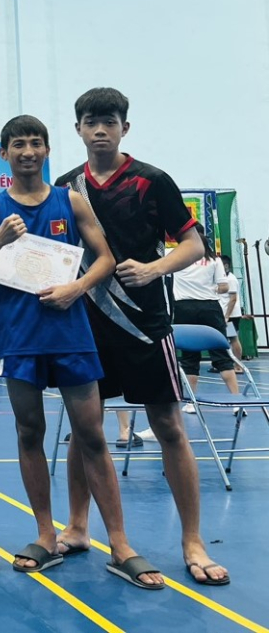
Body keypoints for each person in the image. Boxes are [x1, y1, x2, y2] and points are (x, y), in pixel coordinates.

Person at [0, 115, 163, 588]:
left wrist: (77, 288)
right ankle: (44, 535)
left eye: (36, 143)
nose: (28, 151)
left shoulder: (69, 200)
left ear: (47, 149)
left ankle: (120, 544)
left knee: (91, 435)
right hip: (20, 336)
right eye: (18, 144)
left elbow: (106, 258)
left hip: (71, 333)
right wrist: (0, 240)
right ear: (4, 153)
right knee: (29, 432)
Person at [54, 87, 229, 586]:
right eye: (91, 122)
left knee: (169, 425)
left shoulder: (152, 181)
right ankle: (78, 526)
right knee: (83, 429)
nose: (100, 130)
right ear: (78, 129)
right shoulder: (66, 186)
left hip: (146, 326)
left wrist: (155, 268)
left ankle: (192, 540)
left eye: (109, 121)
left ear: (124, 128)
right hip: (85, 325)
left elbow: (193, 244)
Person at [172, 229, 241, 401]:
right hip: (210, 307)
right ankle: (236, 400)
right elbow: (223, 287)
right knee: (221, 354)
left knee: (189, 357)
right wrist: (208, 288)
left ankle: (192, 401)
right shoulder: (214, 260)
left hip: (184, 307)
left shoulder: (176, 257)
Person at [218, 255, 244, 370]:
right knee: (224, 339)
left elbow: (233, 299)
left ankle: (238, 365)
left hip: (231, 316)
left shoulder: (231, 280)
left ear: (226, 266)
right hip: (224, 314)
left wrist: (227, 316)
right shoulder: (223, 279)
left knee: (233, 339)